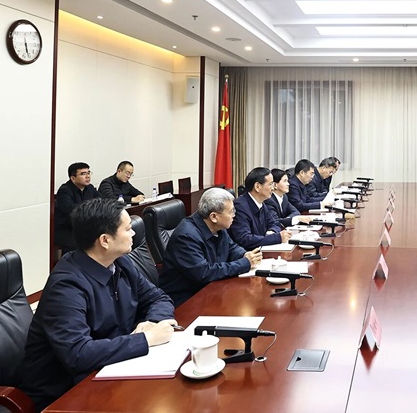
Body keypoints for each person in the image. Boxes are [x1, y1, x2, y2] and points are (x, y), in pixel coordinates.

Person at [19, 199, 176, 410]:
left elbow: (158, 298)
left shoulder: (120, 263)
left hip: (112, 370)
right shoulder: (66, 286)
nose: (134, 234)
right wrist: (146, 339)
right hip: (65, 394)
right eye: (128, 229)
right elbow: (78, 353)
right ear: (105, 240)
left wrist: (151, 322)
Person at [159, 188, 263, 306]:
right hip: (187, 299)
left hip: (211, 289)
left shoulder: (218, 227)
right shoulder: (186, 236)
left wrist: (244, 254)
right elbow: (205, 273)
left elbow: (231, 247)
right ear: (214, 216)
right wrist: (244, 263)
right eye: (231, 212)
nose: (234, 215)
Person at [230, 167, 292, 248]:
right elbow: (245, 239)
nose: (273, 188)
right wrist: (276, 238)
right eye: (270, 184)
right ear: (257, 186)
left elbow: (275, 223)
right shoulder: (240, 207)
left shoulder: (261, 203)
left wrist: (271, 232)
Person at [54, 162, 99, 254]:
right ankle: (69, 263)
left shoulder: (90, 188)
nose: (88, 176)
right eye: (83, 174)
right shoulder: (64, 190)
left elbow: (101, 202)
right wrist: (90, 206)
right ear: (73, 178)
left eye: (88, 173)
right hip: (66, 228)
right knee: (79, 242)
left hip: (84, 226)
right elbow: (70, 209)